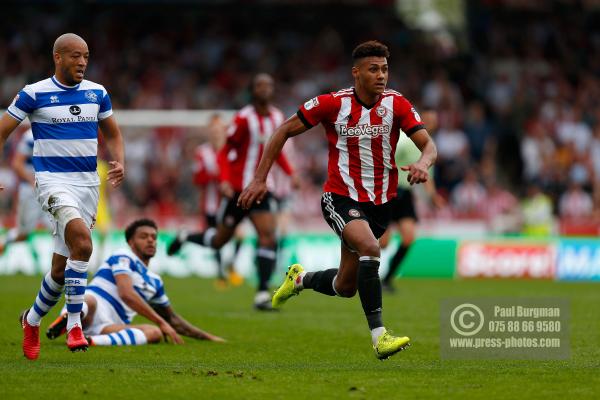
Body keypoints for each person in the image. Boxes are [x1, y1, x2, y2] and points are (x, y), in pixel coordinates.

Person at [239, 41, 437, 360]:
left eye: (385, 69)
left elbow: (429, 145)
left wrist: (423, 164)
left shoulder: (397, 104)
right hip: (340, 197)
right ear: (356, 73)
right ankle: (380, 336)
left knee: (346, 286)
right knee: (372, 249)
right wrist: (261, 178)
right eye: (374, 69)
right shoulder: (332, 103)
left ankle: (299, 279)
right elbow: (281, 132)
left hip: (380, 204)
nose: (381, 75)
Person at [0, 33, 125, 360]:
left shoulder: (98, 93)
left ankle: (32, 319)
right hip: (52, 182)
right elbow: (2, 131)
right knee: (83, 245)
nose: (82, 62)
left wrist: (119, 160)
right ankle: (74, 325)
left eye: (85, 56)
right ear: (58, 57)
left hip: (87, 185)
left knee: (60, 271)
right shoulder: (34, 93)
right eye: (74, 56)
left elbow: (113, 132)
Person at [167, 74, 297, 310]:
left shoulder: (278, 117)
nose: (265, 89)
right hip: (238, 190)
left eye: (268, 85)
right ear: (252, 90)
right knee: (218, 240)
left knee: (268, 237)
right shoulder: (243, 118)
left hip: (262, 189)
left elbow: (276, 153)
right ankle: (185, 237)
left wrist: (290, 173)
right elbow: (225, 151)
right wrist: (226, 180)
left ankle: (261, 293)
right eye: (260, 85)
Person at [46, 219, 225, 346]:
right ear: (131, 241)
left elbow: (172, 320)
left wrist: (208, 338)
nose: (150, 240)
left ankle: (91, 341)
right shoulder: (123, 256)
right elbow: (126, 293)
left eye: (154, 237)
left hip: (109, 326)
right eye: (144, 236)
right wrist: (160, 321)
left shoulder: (156, 282)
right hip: (92, 309)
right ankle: (66, 320)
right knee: (88, 301)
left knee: (154, 332)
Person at [380, 110, 445, 292]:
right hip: (389, 191)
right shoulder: (404, 139)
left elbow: (427, 176)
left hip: (405, 194)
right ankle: (354, 259)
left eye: (435, 121)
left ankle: (387, 279)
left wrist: (433, 197)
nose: (432, 124)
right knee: (383, 243)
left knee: (408, 238)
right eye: (429, 120)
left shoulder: (428, 146)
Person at [192, 114, 243, 287]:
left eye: (220, 130)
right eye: (213, 130)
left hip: (231, 201)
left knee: (240, 235)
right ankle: (221, 274)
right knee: (216, 238)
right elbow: (197, 179)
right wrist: (216, 176)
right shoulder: (202, 152)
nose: (216, 133)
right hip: (211, 204)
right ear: (209, 132)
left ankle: (231, 264)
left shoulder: (233, 151)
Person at [0, 129, 53, 256]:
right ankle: (3, 243)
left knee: (59, 231)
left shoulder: (56, 133)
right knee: (22, 234)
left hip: (51, 190)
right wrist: (33, 182)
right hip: (31, 193)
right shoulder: (30, 136)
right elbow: (17, 164)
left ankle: (61, 270)